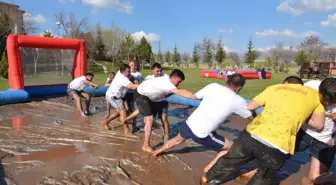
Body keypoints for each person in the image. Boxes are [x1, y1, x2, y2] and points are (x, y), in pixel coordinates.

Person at [201, 76, 326, 185]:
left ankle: (207, 180)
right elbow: (319, 125)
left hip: (252, 135)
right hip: (279, 146)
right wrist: (301, 115)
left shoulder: (274, 88)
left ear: (285, 83)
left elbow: (249, 107)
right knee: (264, 176)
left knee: (229, 161)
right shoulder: (314, 95)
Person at [152, 74, 254, 157]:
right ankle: (209, 171)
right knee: (233, 147)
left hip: (189, 124)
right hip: (202, 134)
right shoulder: (238, 100)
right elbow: (249, 116)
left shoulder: (213, 86)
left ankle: (157, 151)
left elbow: (195, 96)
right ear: (239, 87)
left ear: (227, 81)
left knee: (176, 140)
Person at [135, 69, 197, 153]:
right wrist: (195, 96)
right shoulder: (167, 84)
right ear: (173, 78)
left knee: (150, 119)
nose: (179, 84)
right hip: (142, 94)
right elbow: (179, 91)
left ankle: (163, 134)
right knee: (149, 118)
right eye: (178, 81)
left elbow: (170, 92)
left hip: (151, 98)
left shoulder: (167, 79)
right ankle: (145, 146)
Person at [295, 78, 336, 185]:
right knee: (273, 158)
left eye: (332, 101)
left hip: (325, 138)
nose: (328, 103)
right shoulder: (310, 86)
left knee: (315, 180)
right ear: (319, 90)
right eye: (325, 99)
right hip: (303, 131)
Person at [125, 63, 171, 143]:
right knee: (148, 119)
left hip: (163, 101)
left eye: (160, 71)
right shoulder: (149, 78)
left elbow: (173, 86)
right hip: (152, 101)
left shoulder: (165, 77)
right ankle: (128, 119)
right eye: (157, 71)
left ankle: (166, 137)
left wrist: (166, 95)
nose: (159, 72)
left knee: (164, 117)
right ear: (152, 70)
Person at [103, 64, 138, 136]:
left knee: (117, 112)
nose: (129, 73)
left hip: (112, 95)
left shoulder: (119, 72)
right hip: (114, 96)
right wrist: (142, 85)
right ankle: (126, 131)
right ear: (123, 71)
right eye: (128, 71)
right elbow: (132, 86)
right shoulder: (122, 79)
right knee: (123, 111)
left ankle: (105, 122)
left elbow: (129, 78)